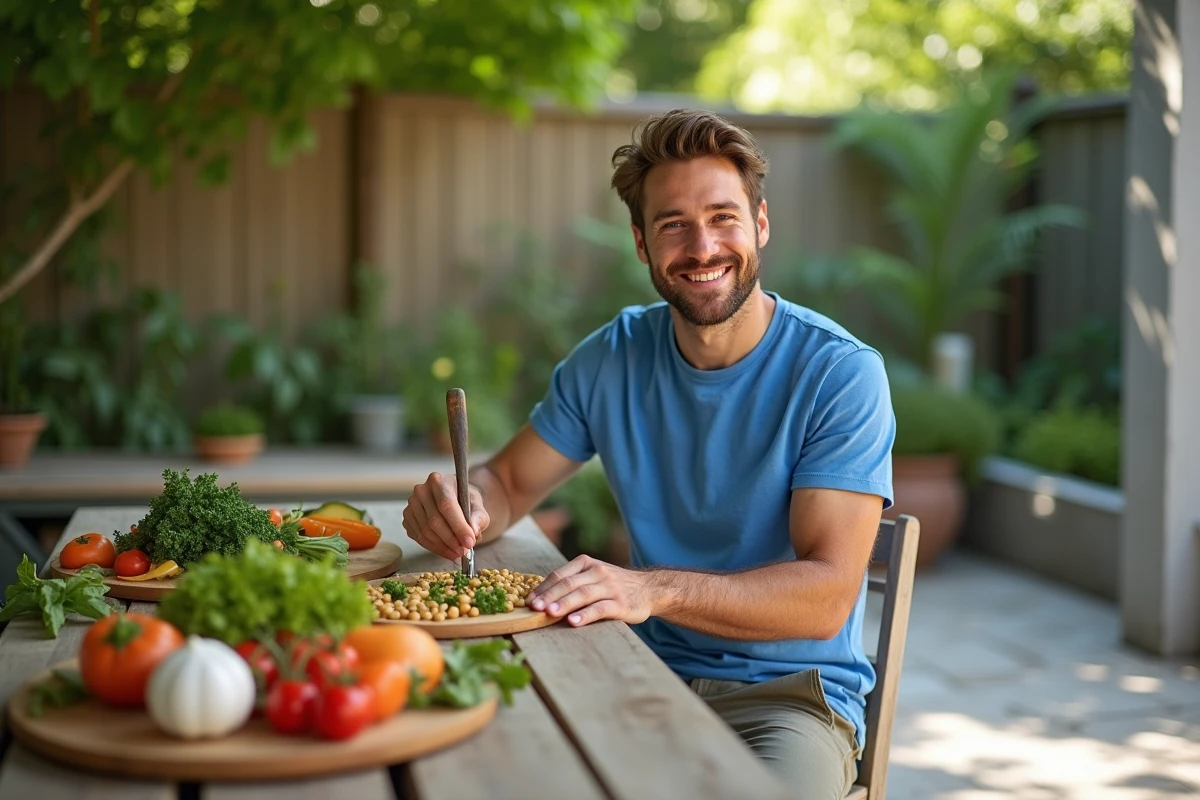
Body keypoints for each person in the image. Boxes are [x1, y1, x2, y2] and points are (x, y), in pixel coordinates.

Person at [402, 108, 895, 797]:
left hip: (785, 703)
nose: (701, 246)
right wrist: (465, 501)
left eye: (723, 217)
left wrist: (651, 588)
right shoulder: (613, 356)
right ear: (641, 243)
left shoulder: (838, 373)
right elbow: (509, 481)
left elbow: (824, 596)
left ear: (761, 223)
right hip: (629, 671)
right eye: (673, 225)